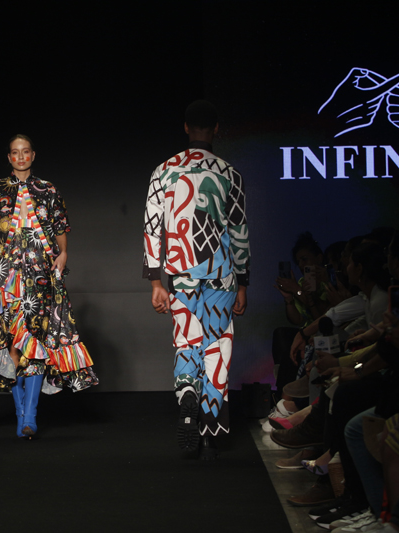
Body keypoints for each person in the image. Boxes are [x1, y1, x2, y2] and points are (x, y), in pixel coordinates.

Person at [0, 134, 98, 438]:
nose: (21, 157)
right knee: (9, 341)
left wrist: (63, 253)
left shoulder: (48, 189)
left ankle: (29, 415)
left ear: (33, 155)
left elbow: (60, 226)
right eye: (15, 152)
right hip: (5, 272)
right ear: (9, 157)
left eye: (25, 152)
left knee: (34, 338)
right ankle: (21, 411)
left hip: (39, 271)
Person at [143, 100, 250, 459]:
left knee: (186, 339)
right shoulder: (230, 173)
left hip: (180, 271)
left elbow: (152, 228)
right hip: (221, 272)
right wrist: (243, 281)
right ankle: (210, 428)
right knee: (217, 344)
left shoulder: (164, 171)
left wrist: (155, 281)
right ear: (216, 128)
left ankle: (187, 391)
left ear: (186, 127)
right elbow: (239, 232)